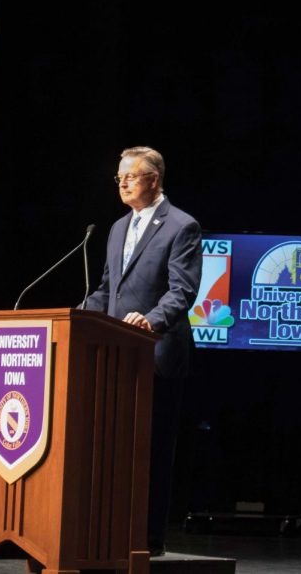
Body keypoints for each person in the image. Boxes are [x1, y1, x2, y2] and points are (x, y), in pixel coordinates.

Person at [84, 146, 202, 557]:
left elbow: (182, 290)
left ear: (153, 178)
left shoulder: (181, 226)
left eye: (129, 176)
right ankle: (108, 534)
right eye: (118, 178)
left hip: (156, 354)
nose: (122, 183)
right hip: (114, 356)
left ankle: (147, 540)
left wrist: (151, 320)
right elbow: (106, 289)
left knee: (150, 452)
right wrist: (77, 316)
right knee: (108, 449)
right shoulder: (118, 228)